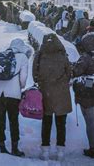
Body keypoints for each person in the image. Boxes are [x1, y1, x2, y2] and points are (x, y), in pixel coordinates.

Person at [33, 33, 72, 161]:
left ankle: (45, 150)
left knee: (46, 122)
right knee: (61, 123)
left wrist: (44, 81)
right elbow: (69, 73)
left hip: (46, 93)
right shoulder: (62, 55)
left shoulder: (40, 55)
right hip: (61, 93)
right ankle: (60, 151)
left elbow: (35, 74)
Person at [0, 38, 32, 157]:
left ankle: (2, 147)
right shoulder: (22, 57)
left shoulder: (1, 55)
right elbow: (23, 78)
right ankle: (15, 148)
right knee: (13, 121)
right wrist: (20, 87)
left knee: (0, 121)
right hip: (13, 95)